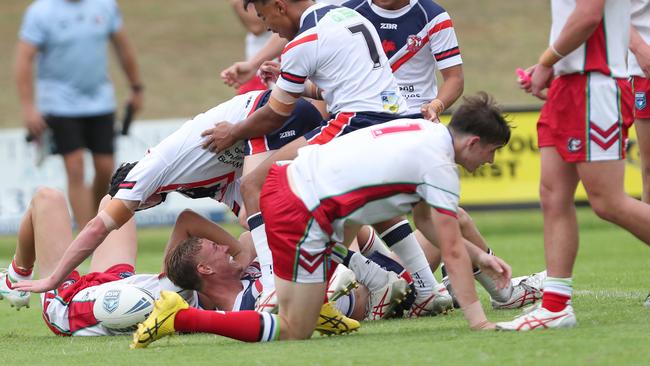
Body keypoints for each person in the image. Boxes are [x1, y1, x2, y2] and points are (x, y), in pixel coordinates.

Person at [130, 92, 513, 348]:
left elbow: (427, 221)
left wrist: (481, 258)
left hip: (296, 194)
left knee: (299, 324)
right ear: (473, 142)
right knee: (295, 328)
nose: (490, 162)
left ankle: (332, 300)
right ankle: (183, 319)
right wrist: (477, 321)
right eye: (492, 152)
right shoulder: (438, 163)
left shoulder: (423, 131)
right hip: (303, 209)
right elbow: (449, 247)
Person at [11, 90, 321, 296]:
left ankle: (273, 287)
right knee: (274, 212)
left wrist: (54, 279)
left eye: (135, 206)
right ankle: (356, 269)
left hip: (267, 115)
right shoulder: (188, 184)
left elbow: (97, 227)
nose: (138, 209)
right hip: (283, 113)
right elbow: (236, 204)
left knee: (261, 201)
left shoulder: (147, 171)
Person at [497, 0, 650, 331]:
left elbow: (588, 15)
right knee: (553, 195)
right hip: (571, 82)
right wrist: (554, 66)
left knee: (608, 202)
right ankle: (556, 306)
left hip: (596, 85)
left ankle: (556, 304)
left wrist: (545, 61)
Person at [14, 0, 144, 229]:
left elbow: (123, 48)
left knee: (105, 168)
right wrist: (28, 107)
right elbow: (24, 60)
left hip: (100, 101)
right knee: (75, 167)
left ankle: (96, 224)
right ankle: (87, 235)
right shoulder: (41, 12)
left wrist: (136, 87)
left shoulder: (104, 6)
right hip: (59, 103)